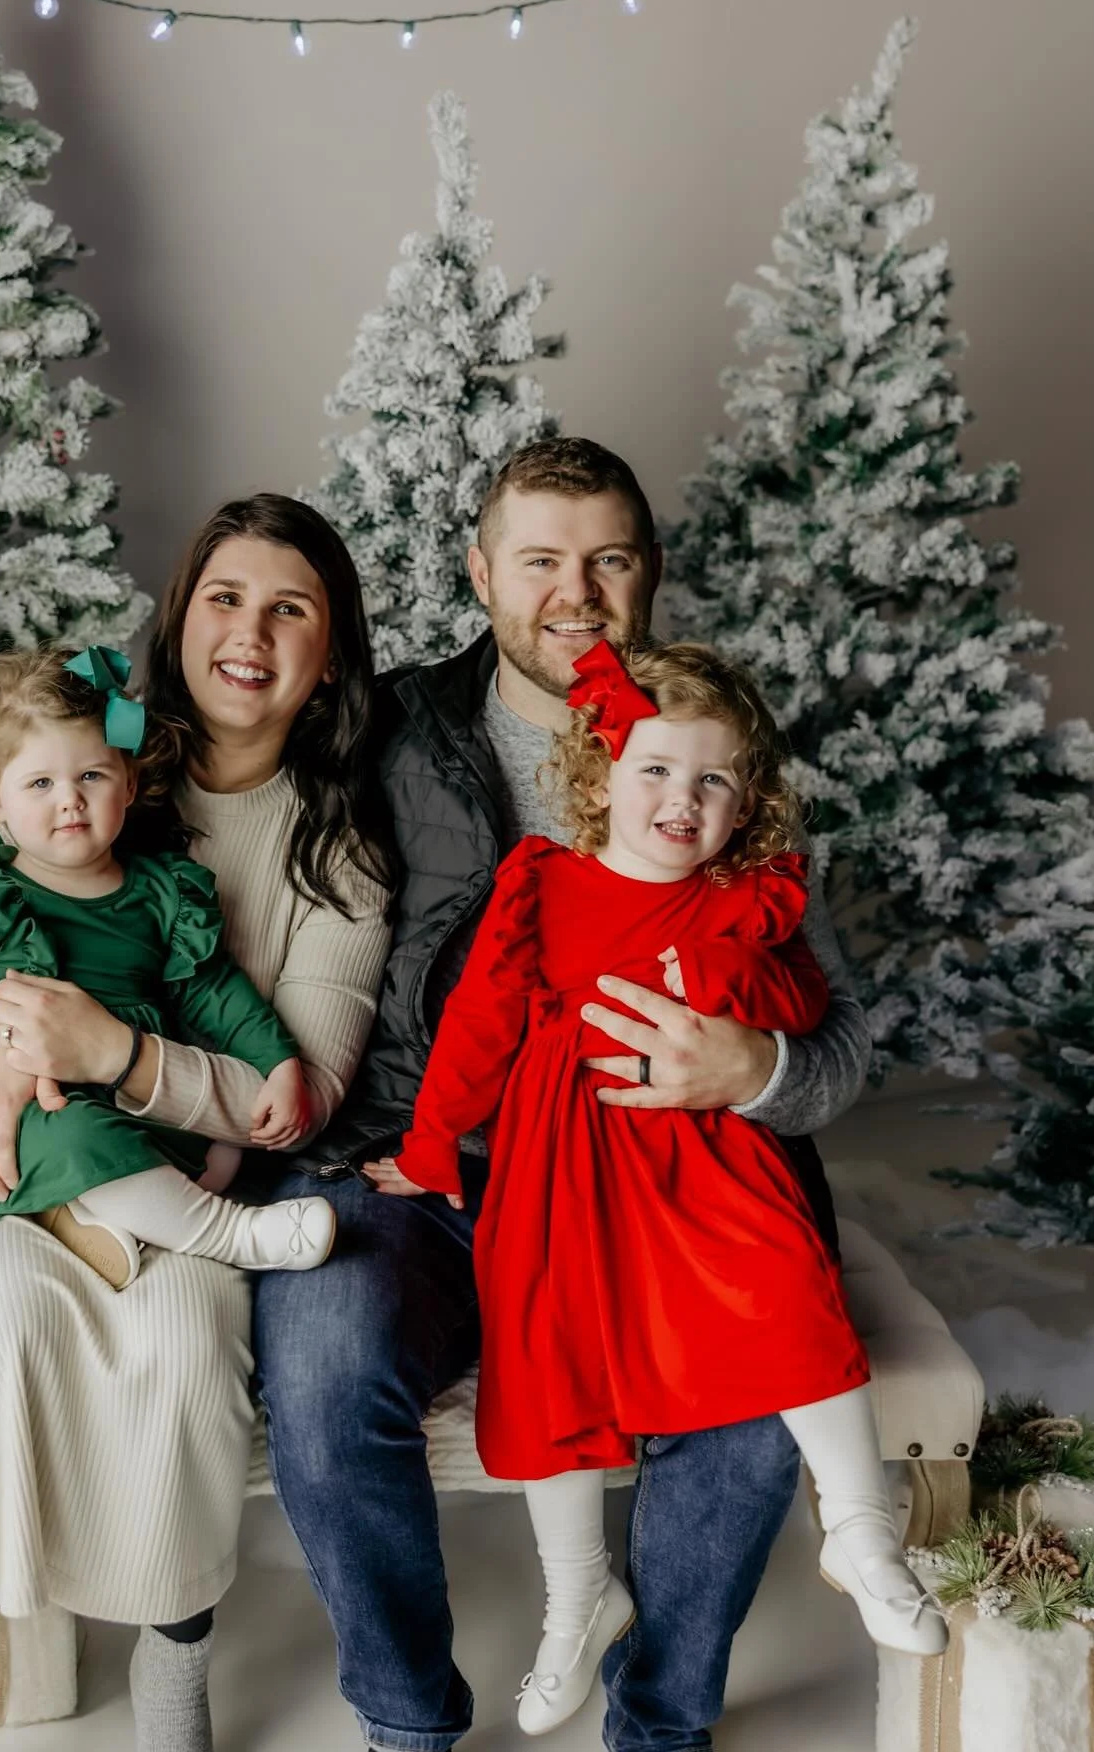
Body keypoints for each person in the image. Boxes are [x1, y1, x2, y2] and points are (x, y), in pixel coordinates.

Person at [0, 439, 872, 1751]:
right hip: (411, 1171)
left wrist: (756, 1067)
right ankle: (406, 1721)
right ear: (482, 571)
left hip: (664, 1187)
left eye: (607, 558)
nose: (575, 591)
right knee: (323, 1366)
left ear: (648, 574)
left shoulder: (712, 750)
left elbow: (839, 1036)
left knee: (749, 1416)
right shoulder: (380, 723)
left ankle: (659, 1722)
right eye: (540, 559)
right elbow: (62, 822)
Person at [0, 496, 396, 1752]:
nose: (250, 632)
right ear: (181, 617)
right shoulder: (75, 752)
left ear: (333, 650)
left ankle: (173, 1687)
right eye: (225, 598)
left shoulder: (332, 850)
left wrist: (121, 1058)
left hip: (177, 1177)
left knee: (189, 1348)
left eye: (291, 608)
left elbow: (296, 1081)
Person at [393, 637, 946, 1736]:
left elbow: (800, 1010)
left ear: (748, 807)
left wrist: (731, 1001)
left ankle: (859, 1527)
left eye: (712, 780)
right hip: (564, 1167)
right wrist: (429, 1142)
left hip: (705, 1162)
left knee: (786, 1286)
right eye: (654, 769)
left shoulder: (749, 904)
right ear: (603, 774)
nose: (680, 799)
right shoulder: (544, 883)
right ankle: (576, 1597)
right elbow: (479, 1023)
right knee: (545, 1359)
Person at [0, 641, 339, 1282]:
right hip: (21, 1103)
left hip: (116, 1091)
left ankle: (78, 1210)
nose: (70, 800)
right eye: (41, 783)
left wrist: (278, 1061)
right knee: (78, 1140)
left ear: (130, 784)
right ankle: (233, 1234)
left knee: (213, 1155)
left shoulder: (163, 892)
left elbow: (213, 989)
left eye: (92, 777)